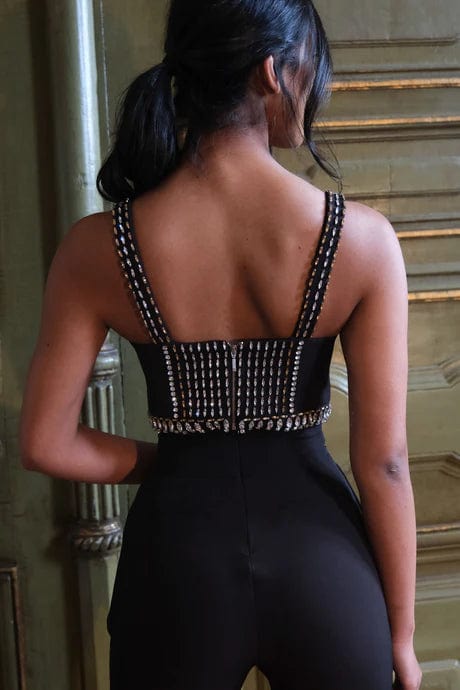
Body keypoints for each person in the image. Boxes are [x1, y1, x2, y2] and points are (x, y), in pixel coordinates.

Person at [19, 1, 422, 689]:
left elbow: (44, 443)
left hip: (174, 563)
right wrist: (403, 639)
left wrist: (180, 461)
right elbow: (384, 463)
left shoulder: (98, 247)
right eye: (309, 67)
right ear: (271, 71)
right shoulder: (362, 242)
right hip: (323, 561)